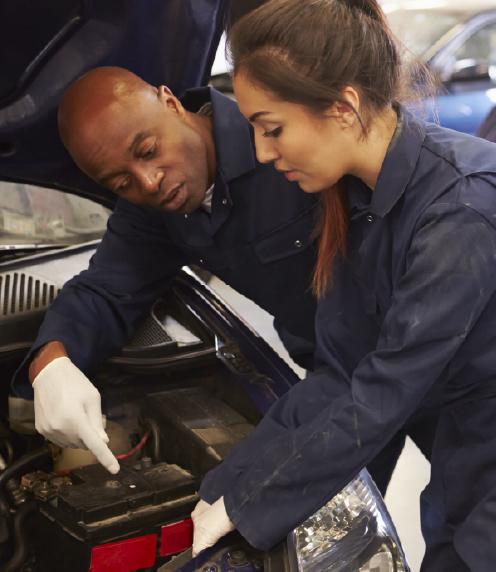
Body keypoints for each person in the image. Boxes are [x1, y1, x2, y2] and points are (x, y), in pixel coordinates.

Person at [191, 1, 496, 570]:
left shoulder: (461, 210)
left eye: (272, 128)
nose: (261, 152)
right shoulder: (358, 203)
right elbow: (339, 372)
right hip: (461, 463)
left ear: (343, 107)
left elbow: (381, 393)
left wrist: (253, 504)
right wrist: (225, 487)